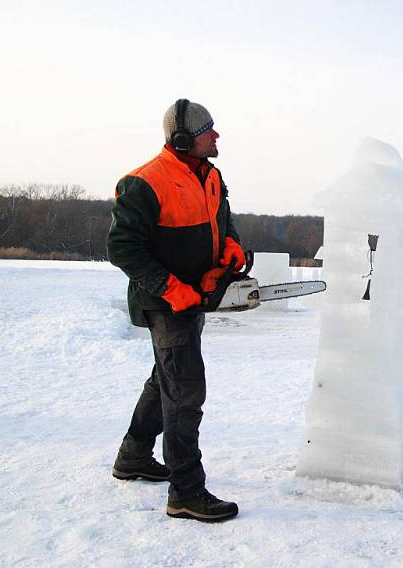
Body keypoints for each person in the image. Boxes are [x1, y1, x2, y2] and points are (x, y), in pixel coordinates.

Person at [107, 99, 245, 522]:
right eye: (208, 130)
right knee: (184, 392)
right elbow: (121, 247)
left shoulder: (210, 174)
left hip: (194, 296)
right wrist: (172, 288)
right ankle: (186, 492)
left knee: (165, 379)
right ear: (184, 138)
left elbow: (223, 221)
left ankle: (132, 457)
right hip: (164, 302)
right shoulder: (144, 183)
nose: (216, 136)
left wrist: (232, 249)